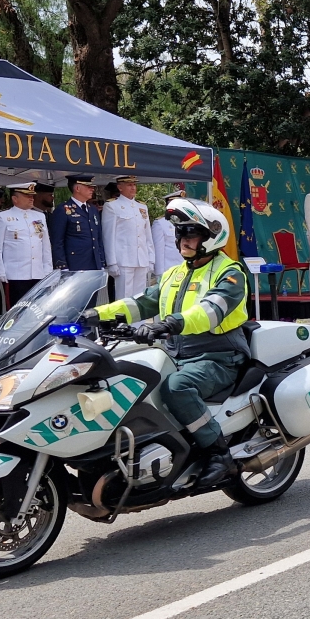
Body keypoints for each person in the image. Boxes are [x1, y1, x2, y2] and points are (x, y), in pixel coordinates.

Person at [89, 199, 249, 489]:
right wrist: (94, 314)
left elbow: (210, 311)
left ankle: (218, 453)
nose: (183, 240)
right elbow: (139, 303)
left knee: (176, 387)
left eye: (192, 234)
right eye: (180, 234)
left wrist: (168, 324)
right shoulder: (175, 274)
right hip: (176, 354)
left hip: (219, 356)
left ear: (211, 238)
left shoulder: (230, 272)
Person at [0, 182, 51, 306]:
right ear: (15, 199)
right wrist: (0, 271)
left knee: (37, 308)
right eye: (27, 196)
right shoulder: (2, 217)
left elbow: (45, 245)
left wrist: (47, 269)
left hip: (38, 272)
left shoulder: (39, 216)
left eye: (32, 196)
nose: (31, 198)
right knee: (16, 308)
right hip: (15, 274)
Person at [101, 175, 154, 300]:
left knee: (140, 298)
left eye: (134, 184)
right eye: (129, 185)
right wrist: (112, 262)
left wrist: (151, 258)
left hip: (141, 258)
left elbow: (147, 235)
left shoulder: (142, 207)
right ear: (120, 187)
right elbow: (108, 236)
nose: (133, 188)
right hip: (124, 260)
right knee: (124, 298)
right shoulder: (112, 206)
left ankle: (138, 315)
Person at [49, 176, 104, 272]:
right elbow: (57, 241)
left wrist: (101, 261)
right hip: (75, 263)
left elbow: (98, 237)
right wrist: (62, 265)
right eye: (88, 187)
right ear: (77, 188)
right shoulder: (63, 209)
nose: (92, 189)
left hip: (94, 262)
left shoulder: (92, 209)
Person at [152, 189, 186, 279]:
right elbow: (158, 251)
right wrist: (159, 274)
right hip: (168, 271)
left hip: (185, 268)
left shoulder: (186, 222)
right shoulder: (160, 223)